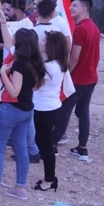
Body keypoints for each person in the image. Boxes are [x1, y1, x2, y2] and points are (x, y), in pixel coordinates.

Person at [0, 28, 45, 202]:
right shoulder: (34, 62)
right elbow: (35, 87)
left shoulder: (19, 64)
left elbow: (14, 92)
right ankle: (20, 187)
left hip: (11, 109)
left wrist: (3, 73)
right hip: (26, 110)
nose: (12, 38)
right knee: (21, 147)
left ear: (20, 42)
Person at [52, 0, 100, 160]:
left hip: (78, 79)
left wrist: (66, 74)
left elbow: (74, 57)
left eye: (74, 6)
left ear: (84, 8)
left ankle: (51, 145)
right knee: (82, 112)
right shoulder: (94, 27)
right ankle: (82, 147)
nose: (70, 8)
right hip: (91, 78)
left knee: (64, 112)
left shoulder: (80, 29)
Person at [31, 31, 68, 192]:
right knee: (44, 143)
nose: (41, 43)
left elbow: (35, 86)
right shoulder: (58, 63)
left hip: (44, 109)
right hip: (51, 107)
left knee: (45, 145)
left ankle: (49, 179)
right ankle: (49, 177)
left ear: (51, 45)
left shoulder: (49, 66)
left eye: (44, 41)